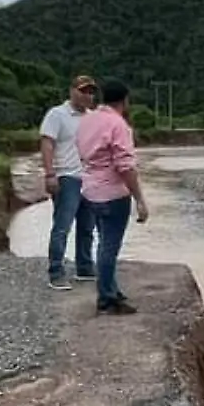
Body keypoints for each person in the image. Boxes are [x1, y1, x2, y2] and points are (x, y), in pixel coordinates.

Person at [75, 78, 149, 314]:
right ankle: (107, 298)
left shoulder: (87, 120)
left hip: (90, 190)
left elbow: (82, 152)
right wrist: (139, 198)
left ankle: (111, 289)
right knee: (109, 246)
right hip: (112, 193)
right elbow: (125, 166)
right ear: (125, 101)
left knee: (102, 242)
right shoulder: (118, 125)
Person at [38, 75, 100, 290]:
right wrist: (49, 174)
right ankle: (56, 272)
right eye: (83, 91)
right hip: (66, 177)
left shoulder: (92, 117)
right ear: (72, 90)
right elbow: (47, 143)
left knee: (87, 226)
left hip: (89, 178)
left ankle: (84, 267)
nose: (87, 95)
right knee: (62, 226)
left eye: (91, 92)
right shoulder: (57, 114)